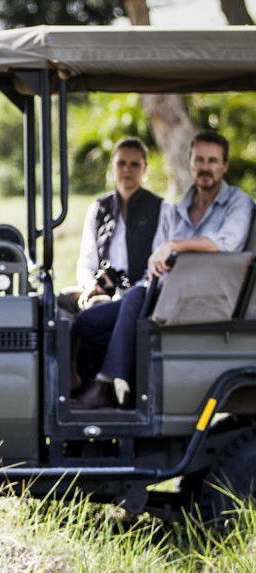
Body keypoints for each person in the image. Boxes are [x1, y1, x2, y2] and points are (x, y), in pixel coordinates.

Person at [72, 130, 254, 410]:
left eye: (213, 161)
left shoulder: (238, 203)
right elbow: (156, 260)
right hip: (167, 293)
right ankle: (118, 390)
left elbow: (227, 243)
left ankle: (104, 385)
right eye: (199, 160)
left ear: (224, 166)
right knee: (88, 322)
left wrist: (174, 247)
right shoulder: (177, 209)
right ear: (191, 164)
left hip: (210, 297)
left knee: (134, 300)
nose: (205, 167)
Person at [70, 137, 163, 311]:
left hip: (139, 294)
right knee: (59, 303)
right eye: (121, 163)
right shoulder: (99, 208)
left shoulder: (160, 209)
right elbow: (86, 260)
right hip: (102, 291)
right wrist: (91, 285)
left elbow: (160, 265)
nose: (127, 169)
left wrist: (134, 289)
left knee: (89, 319)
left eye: (134, 164)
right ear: (113, 166)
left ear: (145, 168)